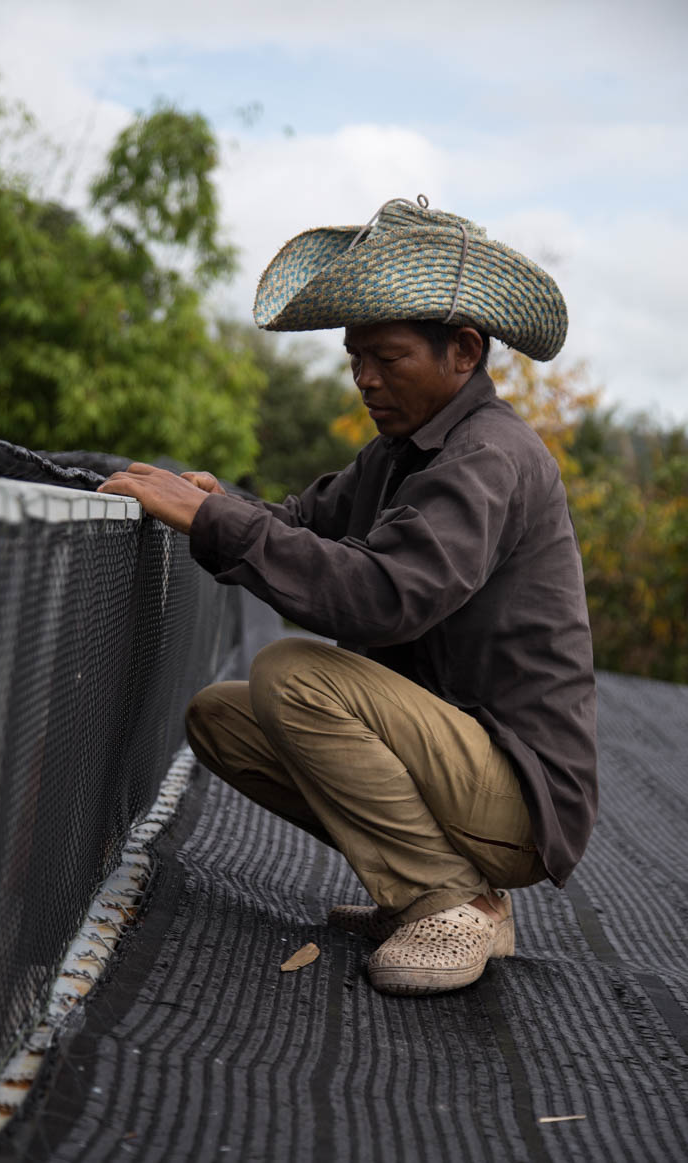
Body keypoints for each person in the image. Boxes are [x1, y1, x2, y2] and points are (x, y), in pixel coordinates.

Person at [98, 197, 597, 996]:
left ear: (462, 351)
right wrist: (219, 503)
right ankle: (444, 885)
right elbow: (302, 520)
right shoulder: (400, 453)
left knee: (294, 673)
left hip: (520, 791)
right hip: (458, 761)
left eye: (386, 357)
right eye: (354, 356)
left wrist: (221, 522)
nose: (364, 377)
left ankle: (449, 900)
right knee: (221, 717)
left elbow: (381, 597)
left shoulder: (488, 457)